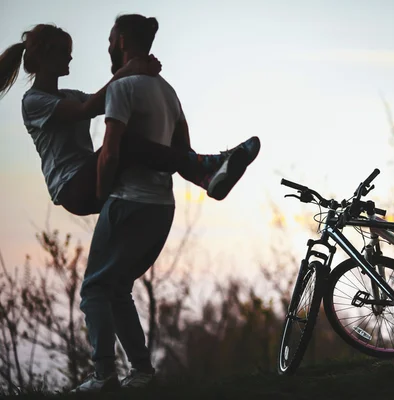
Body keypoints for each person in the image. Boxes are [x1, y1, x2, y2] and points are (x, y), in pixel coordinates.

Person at [72, 14, 217, 392]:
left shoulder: (124, 88)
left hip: (127, 202)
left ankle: (103, 374)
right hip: (162, 207)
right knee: (118, 289)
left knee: (94, 290)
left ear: (120, 40)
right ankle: (141, 372)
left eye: (109, 39)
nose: (107, 46)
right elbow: (182, 153)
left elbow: (110, 152)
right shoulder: (168, 91)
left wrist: (103, 196)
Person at [0, 23, 261, 216]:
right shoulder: (33, 102)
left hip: (87, 176)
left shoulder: (70, 95)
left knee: (134, 133)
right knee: (124, 143)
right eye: (65, 52)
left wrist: (141, 78)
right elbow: (87, 109)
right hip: (72, 188)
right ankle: (205, 164)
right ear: (47, 56)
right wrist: (128, 71)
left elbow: (111, 100)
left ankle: (205, 176)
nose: (70, 57)